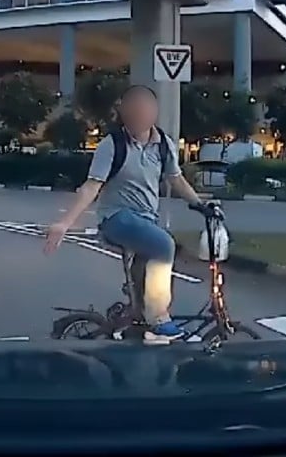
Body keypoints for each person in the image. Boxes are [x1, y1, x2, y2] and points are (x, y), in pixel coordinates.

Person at [43, 84, 207, 343]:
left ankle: (137, 319)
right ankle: (159, 317)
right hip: (116, 219)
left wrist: (201, 205)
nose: (139, 115)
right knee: (164, 245)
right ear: (125, 112)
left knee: (144, 275)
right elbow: (91, 187)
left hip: (146, 221)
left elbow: (176, 179)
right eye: (134, 109)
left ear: (154, 112)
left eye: (145, 109)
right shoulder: (112, 145)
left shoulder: (163, 143)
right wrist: (64, 223)